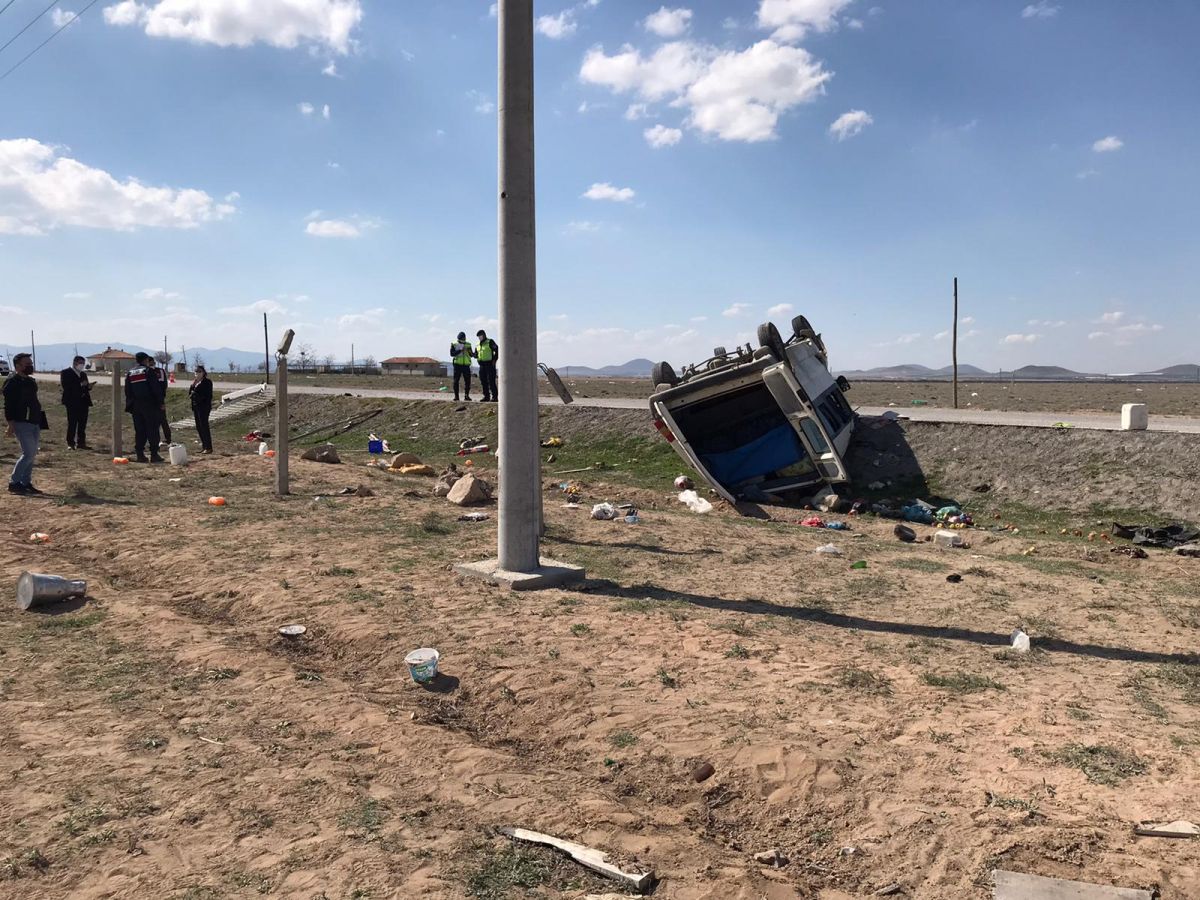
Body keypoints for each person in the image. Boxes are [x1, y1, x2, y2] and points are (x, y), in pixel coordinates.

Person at [4, 352, 47, 494]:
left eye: (30, 363)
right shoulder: (12, 382)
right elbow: (8, 405)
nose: (30, 366)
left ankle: (25, 482)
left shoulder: (30, 381)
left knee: (32, 453)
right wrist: (10, 424)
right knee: (28, 453)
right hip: (21, 422)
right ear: (18, 366)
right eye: (27, 364)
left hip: (34, 421)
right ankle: (14, 482)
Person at [124, 352, 163, 463]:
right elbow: (155, 388)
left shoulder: (130, 373)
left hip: (136, 406)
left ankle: (140, 454)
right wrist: (160, 402)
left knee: (140, 430)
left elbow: (127, 390)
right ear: (146, 360)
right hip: (150, 405)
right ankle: (154, 454)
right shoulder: (148, 371)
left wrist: (130, 405)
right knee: (153, 429)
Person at [59, 355, 93, 450]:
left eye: (83, 363)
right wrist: (80, 384)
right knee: (72, 423)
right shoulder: (66, 372)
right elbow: (66, 386)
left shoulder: (83, 374)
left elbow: (85, 387)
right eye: (80, 363)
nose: (82, 365)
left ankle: (81, 442)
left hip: (83, 402)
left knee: (82, 423)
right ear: (75, 363)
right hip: (72, 402)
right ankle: (71, 443)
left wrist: (88, 387)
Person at [189, 365, 214, 454]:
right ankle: (204, 446)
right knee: (199, 427)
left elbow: (207, 395)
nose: (197, 373)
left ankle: (208, 447)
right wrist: (193, 385)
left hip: (203, 407)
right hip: (196, 406)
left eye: (199, 371)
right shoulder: (195, 383)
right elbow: (190, 393)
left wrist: (196, 395)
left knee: (204, 426)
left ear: (203, 373)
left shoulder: (207, 382)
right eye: (196, 372)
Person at [475, 329, 499, 403]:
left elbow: (497, 350)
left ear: (484, 335)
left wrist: (495, 360)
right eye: (478, 336)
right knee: (483, 381)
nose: (479, 337)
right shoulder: (477, 344)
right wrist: (473, 355)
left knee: (491, 381)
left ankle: (494, 397)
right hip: (482, 365)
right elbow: (476, 354)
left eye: (480, 336)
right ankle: (486, 396)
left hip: (490, 364)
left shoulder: (490, 341)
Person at [450, 331, 474, 402]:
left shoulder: (468, 344)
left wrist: (473, 354)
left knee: (467, 381)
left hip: (466, 365)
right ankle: (456, 397)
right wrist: (460, 350)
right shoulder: (454, 344)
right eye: (462, 338)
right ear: (458, 338)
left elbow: (471, 354)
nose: (463, 340)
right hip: (457, 365)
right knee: (456, 381)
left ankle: (467, 396)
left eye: (464, 338)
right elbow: (452, 354)